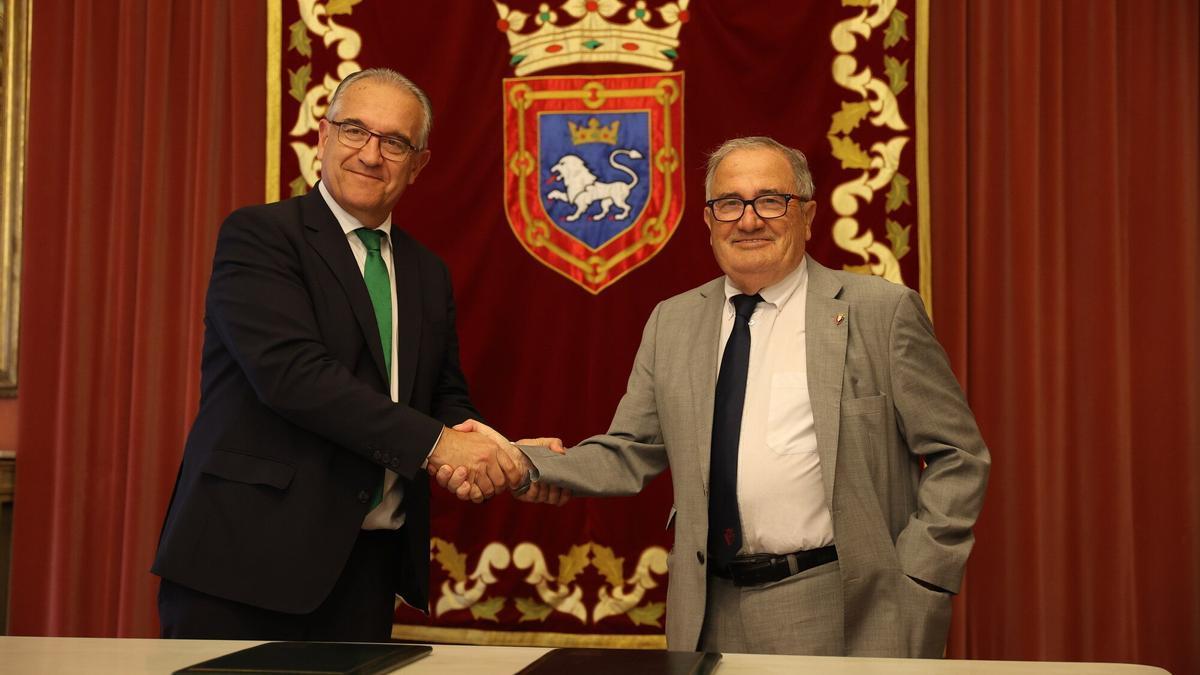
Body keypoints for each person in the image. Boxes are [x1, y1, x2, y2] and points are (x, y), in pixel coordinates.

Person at [444, 136, 990, 657]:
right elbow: (630, 450)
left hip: (847, 604)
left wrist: (921, 576)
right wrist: (521, 463)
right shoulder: (673, 321)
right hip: (708, 611)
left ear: (807, 213)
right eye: (729, 203)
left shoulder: (881, 311)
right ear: (708, 220)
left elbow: (959, 455)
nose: (748, 220)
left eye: (770, 201)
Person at [152, 68, 529, 641]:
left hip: (365, 568)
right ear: (323, 137)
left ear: (418, 163)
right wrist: (437, 445)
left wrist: (505, 453)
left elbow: (441, 397)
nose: (371, 155)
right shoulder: (261, 236)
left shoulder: (427, 272)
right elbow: (295, 378)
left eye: (395, 141)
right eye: (355, 130)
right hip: (245, 565)